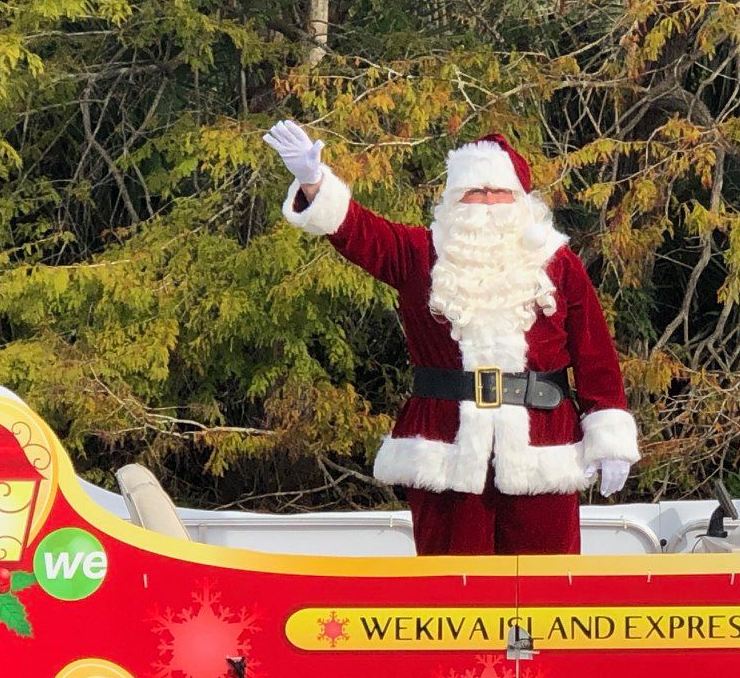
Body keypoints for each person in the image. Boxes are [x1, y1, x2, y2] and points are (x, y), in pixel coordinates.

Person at [263, 119, 637, 555]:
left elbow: (596, 355)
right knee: (451, 593)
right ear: (454, 198)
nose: (486, 204)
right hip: (445, 448)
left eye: (498, 193)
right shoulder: (418, 253)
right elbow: (359, 231)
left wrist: (609, 438)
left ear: (520, 199)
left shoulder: (558, 263)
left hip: (544, 445)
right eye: (473, 192)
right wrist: (313, 182)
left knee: (545, 593)